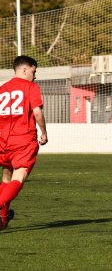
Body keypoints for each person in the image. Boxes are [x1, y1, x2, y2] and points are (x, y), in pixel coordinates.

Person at [0, 55, 48, 230]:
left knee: (6, 179)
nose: (34, 76)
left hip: (3, 143)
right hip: (23, 141)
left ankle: (3, 218)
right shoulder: (30, 87)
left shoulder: (2, 89)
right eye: (34, 72)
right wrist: (44, 132)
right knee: (18, 179)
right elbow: (37, 112)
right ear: (25, 69)